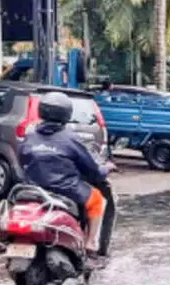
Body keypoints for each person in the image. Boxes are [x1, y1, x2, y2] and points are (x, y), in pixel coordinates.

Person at [18, 92, 114, 258]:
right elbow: (94, 171)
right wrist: (107, 168)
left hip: (33, 189)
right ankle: (91, 243)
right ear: (66, 114)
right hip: (66, 189)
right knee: (98, 200)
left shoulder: (30, 136)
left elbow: (22, 159)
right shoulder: (70, 139)